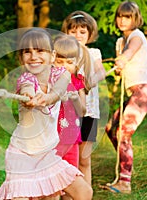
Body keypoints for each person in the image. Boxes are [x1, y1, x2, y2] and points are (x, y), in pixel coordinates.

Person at [0, 28, 93, 200]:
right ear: (21, 58)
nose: (33, 56)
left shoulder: (61, 74)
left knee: (84, 192)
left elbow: (58, 90)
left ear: (53, 56)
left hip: (48, 154)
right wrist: (28, 98)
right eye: (27, 52)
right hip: (22, 155)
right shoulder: (26, 80)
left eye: (40, 50)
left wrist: (47, 98)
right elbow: (26, 89)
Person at [102, 1, 147, 194]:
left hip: (144, 91)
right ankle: (124, 164)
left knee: (123, 132)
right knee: (111, 128)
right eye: (120, 16)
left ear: (135, 19)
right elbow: (121, 68)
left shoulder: (137, 36)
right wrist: (118, 67)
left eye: (127, 17)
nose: (122, 20)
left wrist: (123, 58)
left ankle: (125, 182)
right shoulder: (119, 42)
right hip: (134, 92)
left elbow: (131, 51)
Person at [61, 11, 106, 187]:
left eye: (82, 32)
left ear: (89, 34)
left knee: (85, 159)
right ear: (66, 33)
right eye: (73, 31)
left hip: (89, 112)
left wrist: (91, 80)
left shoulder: (93, 53)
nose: (78, 35)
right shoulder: (63, 54)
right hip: (67, 114)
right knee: (67, 156)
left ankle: (86, 194)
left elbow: (100, 71)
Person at [54, 34, 86, 169]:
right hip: (52, 135)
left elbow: (82, 111)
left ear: (77, 62)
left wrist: (76, 99)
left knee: (71, 169)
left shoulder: (78, 81)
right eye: (59, 62)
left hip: (71, 135)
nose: (64, 67)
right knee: (53, 170)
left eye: (69, 62)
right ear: (51, 59)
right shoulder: (48, 80)